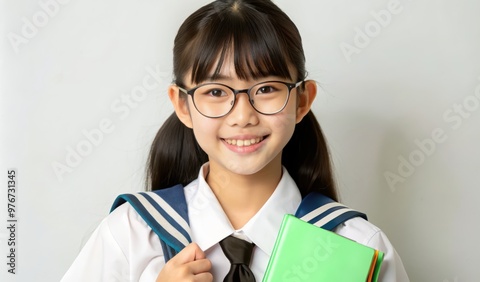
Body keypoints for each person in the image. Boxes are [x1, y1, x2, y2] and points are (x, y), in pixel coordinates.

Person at [62, 0, 409, 281]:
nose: (243, 115)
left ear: (302, 100)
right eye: (215, 91)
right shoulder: (131, 236)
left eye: (267, 89)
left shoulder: (356, 248)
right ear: (182, 105)